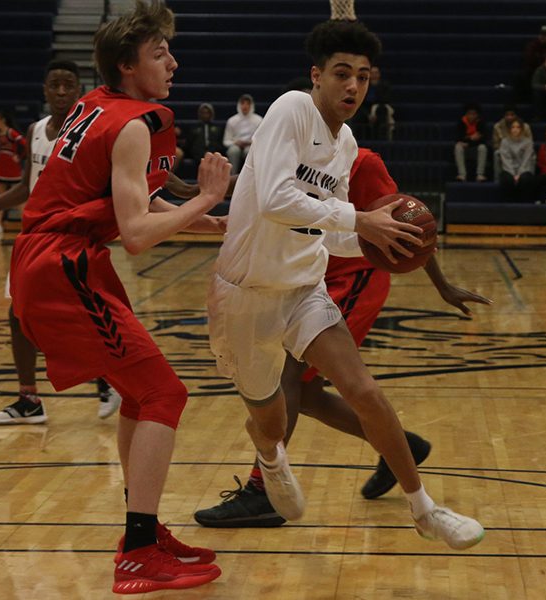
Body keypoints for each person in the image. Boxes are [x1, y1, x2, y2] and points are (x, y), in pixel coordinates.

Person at [206, 18, 485, 550]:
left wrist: (383, 244)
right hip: (244, 293)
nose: (353, 86)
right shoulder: (292, 109)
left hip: (303, 288)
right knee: (268, 421)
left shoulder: (347, 141)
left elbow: (325, 233)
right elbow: (275, 200)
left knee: (363, 390)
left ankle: (423, 509)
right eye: (341, 74)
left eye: (362, 76)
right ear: (316, 76)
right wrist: (361, 220)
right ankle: (270, 460)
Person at [8, 1, 229, 592]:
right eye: (160, 54)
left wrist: (205, 221)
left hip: (57, 258)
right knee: (164, 391)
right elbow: (135, 236)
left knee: (139, 391)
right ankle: (136, 553)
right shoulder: (134, 124)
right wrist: (204, 199)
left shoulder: (99, 106)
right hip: (62, 264)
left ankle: (144, 531)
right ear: (129, 66)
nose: (173, 62)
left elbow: (127, 198)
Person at [194, 146, 491, 527]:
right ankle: (401, 445)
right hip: (305, 275)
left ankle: (263, 493)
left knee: (289, 379)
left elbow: (410, 222)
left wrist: (442, 284)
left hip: (353, 277)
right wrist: (197, 191)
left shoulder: (362, 161)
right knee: (308, 394)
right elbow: (263, 182)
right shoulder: (290, 150)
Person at [0, 61, 128, 425]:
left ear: (81, 89)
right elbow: (26, 185)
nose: (63, 91)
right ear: (45, 89)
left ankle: (108, 378)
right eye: (56, 85)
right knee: (19, 315)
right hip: (34, 237)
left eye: (70, 84)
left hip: (71, 236)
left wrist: (182, 189)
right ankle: (29, 400)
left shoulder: (93, 131)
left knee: (78, 314)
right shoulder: (35, 130)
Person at [0, 110, 27, 236]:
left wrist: (20, 157)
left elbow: (25, 145)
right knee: (0, 198)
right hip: (1, 169)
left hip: (14, 170)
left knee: (19, 200)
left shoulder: (11, 133)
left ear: (2, 120)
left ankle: (25, 226)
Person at [516, 25, 546, 103]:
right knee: (521, 77)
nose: (543, 37)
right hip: (535, 71)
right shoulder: (532, 45)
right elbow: (528, 59)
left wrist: (545, 62)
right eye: (541, 35)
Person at [223, 93, 262, 174]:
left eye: (248, 103)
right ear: (239, 105)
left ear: (251, 105)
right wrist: (235, 142)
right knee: (233, 151)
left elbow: (261, 139)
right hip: (235, 145)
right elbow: (226, 141)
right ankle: (232, 177)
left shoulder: (258, 120)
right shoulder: (232, 120)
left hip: (251, 145)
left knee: (249, 151)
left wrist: (251, 142)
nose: (245, 106)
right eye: (243, 103)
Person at [498, 119, 536, 200]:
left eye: (518, 127)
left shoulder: (528, 142)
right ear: (509, 129)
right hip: (509, 170)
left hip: (524, 169)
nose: (515, 130)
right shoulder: (504, 141)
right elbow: (506, 160)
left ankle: (524, 205)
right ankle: (508, 205)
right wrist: (513, 175)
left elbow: (527, 160)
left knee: (525, 179)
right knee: (507, 180)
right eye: (513, 127)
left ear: (522, 129)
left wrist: (519, 174)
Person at [357, 65, 394, 140]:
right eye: (372, 73)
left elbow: (386, 99)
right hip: (367, 110)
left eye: (376, 73)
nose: (374, 75)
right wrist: (368, 115)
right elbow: (361, 103)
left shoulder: (384, 85)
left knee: (381, 111)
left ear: (379, 74)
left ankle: (383, 139)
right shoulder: (364, 86)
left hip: (380, 108)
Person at [454, 102, 488, 182]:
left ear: (477, 115)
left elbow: (483, 140)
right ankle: (462, 174)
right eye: (469, 114)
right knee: (458, 147)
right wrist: (472, 138)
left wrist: (468, 141)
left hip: (476, 149)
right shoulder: (461, 122)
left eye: (474, 114)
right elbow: (458, 138)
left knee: (483, 147)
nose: (472, 116)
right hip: (465, 150)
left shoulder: (481, 123)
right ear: (466, 114)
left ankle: (480, 174)